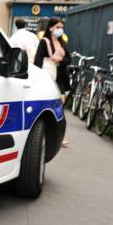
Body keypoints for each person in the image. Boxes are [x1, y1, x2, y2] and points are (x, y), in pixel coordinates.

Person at [34, 18, 70, 146]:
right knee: (47, 106)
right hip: (46, 77)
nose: (60, 30)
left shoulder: (62, 43)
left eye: (62, 27)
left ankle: (58, 137)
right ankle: (44, 135)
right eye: (58, 27)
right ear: (51, 28)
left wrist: (60, 60)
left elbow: (68, 59)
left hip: (59, 78)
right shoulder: (45, 42)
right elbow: (37, 60)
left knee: (60, 106)